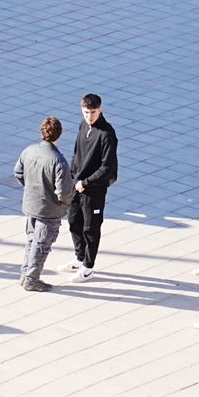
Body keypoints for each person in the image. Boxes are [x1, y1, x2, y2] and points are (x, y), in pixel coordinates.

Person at [14, 114, 73, 292]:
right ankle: (32, 279)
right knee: (41, 246)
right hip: (49, 210)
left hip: (31, 206)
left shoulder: (29, 151)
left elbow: (18, 172)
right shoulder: (59, 161)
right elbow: (63, 192)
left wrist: (30, 187)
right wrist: (67, 202)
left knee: (31, 241)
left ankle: (25, 274)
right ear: (59, 135)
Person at [67, 93, 119, 278]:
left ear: (100, 110)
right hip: (77, 185)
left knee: (91, 228)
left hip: (94, 190)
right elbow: (76, 152)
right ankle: (79, 257)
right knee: (74, 221)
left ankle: (88, 266)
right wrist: (73, 177)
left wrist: (86, 182)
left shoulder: (107, 134)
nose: (89, 116)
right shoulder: (83, 125)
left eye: (93, 112)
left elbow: (108, 167)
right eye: (86, 112)